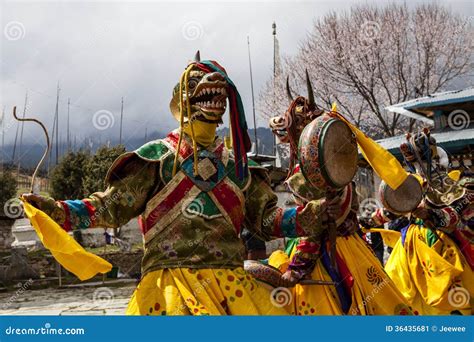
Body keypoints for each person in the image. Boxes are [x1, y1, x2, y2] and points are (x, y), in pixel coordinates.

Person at [23, 53, 341, 315]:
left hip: (232, 290)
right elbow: (108, 207)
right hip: (167, 290)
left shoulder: (239, 167)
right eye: (203, 90)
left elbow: (267, 220)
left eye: (220, 94)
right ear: (183, 100)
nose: (214, 98)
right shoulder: (155, 158)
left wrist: (311, 213)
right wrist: (56, 209)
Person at [266, 72, 414, 315]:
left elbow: (316, 227)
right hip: (352, 246)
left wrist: (298, 266)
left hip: (326, 252)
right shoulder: (334, 165)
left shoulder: (305, 171)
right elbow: (346, 208)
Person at [373, 130, 473, 315]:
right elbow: (392, 210)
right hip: (412, 246)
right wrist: (366, 221)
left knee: (452, 296)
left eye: (426, 163)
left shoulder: (461, 188)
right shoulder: (416, 186)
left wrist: (431, 215)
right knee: (399, 291)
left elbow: (453, 215)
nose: (422, 169)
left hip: (443, 246)